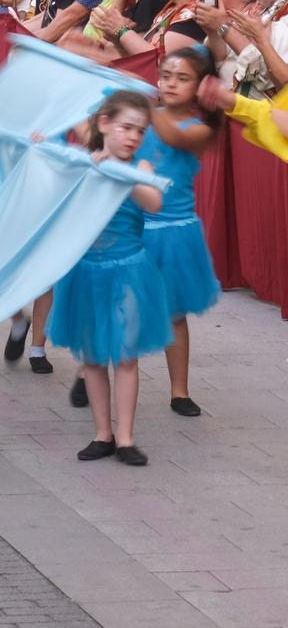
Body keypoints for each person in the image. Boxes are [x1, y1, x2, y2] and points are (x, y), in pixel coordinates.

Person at [47, 89, 167, 466]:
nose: (133, 137)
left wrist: (125, 176)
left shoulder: (140, 169)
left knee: (126, 355)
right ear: (104, 125)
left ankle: (127, 438)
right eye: (126, 128)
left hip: (129, 270)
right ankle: (103, 434)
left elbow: (154, 203)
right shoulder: (86, 165)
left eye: (140, 131)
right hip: (87, 273)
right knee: (95, 357)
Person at [137, 46, 219, 417]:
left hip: (173, 233)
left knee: (174, 314)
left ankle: (179, 391)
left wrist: (144, 107)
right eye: (166, 75)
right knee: (122, 306)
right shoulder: (145, 119)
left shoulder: (197, 129)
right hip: (136, 227)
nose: (170, 83)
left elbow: (171, 136)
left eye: (182, 78)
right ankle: (94, 370)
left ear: (201, 87)